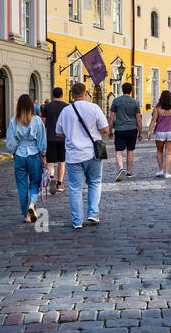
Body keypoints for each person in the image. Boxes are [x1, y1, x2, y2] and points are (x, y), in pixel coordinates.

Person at [55, 82, 111, 230]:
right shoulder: (94, 108)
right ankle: (93, 213)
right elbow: (105, 129)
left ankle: (77, 221)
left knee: (75, 188)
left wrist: (71, 132)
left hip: (73, 155)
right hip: (92, 153)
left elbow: (58, 133)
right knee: (94, 182)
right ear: (86, 93)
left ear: (72, 95)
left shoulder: (66, 111)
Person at [6, 93, 46, 223]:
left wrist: (14, 151)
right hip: (34, 154)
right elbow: (41, 141)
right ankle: (32, 204)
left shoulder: (14, 120)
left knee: (21, 185)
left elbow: (11, 142)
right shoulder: (37, 120)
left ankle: (26, 215)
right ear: (31, 106)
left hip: (20, 155)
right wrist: (43, 156)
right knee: (35, 183)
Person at [108, 82, 142, 181]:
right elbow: (138, 118)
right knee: (130, 151)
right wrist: (140, 132)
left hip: (120, 129)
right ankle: (129, 171)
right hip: (132, 129)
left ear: (122, 90)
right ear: (131, 90)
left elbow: (111, 117)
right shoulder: (135, 102)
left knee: (119, 151)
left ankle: (121, 168)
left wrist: (110, 129)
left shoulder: (116, 101)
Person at [41, 86, 68, 194]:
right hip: (63, 138)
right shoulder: (66, 107)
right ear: (62, 95)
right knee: (62, 161)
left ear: (53, 95)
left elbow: (43, 122)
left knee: (50, 161)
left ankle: (51, 177)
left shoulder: (46, 107)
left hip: (50, 138)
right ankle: (59, 184)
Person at [151, 90, 171, 179]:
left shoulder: (158, 108)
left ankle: (160, 170)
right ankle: (167, 172)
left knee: (159, 151)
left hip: (160, 131)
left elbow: (153, 121)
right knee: (168, 153)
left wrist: (149, 131)